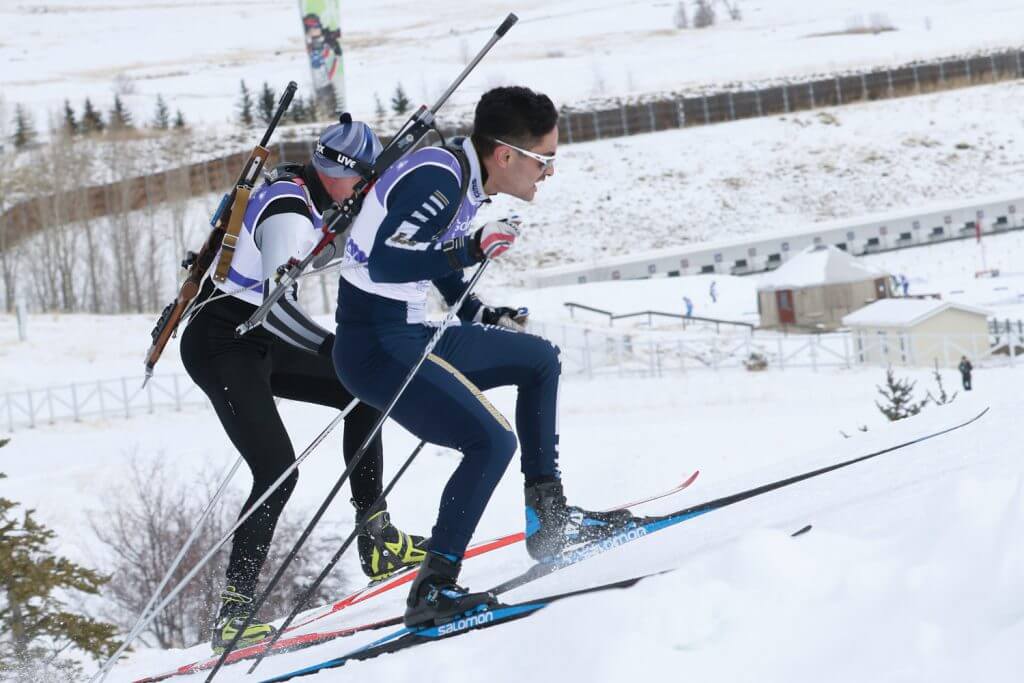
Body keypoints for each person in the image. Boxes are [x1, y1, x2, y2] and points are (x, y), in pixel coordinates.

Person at [333, 86, 646, 628]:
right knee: (490, 441)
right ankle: (433, 587)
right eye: (543, 159)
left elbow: (430, 259)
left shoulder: (462, 177)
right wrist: (471, 248)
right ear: (506, 155)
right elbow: (386, 262)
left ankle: (549, 521)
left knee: (539, 360)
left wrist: (477, 310)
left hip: (414, 329)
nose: (548, 172)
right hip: (376, 344)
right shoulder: (439, 176)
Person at [180, 117, 426, 652]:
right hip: (223, 339)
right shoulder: (290, 212)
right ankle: (234, 614)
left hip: (251, 335)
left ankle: (377, 537)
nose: (368, 189)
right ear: (340, 173)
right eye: (366, 179)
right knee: (277, 471)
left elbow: (343, 253)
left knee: (363, 388)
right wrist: (330, 348)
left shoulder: (313, 199)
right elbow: (273, 311)